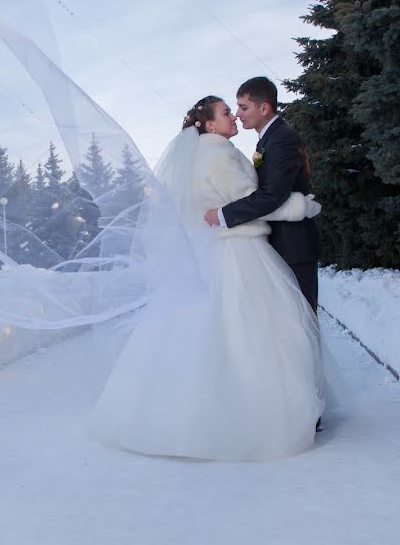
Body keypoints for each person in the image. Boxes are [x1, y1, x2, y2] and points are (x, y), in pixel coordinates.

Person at [91, 96, 326, 462]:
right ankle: (250, 417)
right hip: (237, 251)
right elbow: (254, 202)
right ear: (210, 125)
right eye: (226, 112)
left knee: (209, 331)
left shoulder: (201, 155)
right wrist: (301, 206)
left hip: (215, 250)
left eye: (235, 110)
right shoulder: (219, 155)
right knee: (259, 332)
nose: (234, 117)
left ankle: (178, 416)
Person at [204, 77, 320, 313]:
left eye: (243, 107)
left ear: (264, 108)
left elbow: (271, 196)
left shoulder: (282, 139)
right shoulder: (269, 140)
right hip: (281, 245)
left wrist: (223, 214)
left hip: (293, 247)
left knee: (300, 324)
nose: (237, 114)